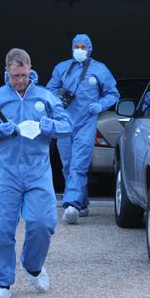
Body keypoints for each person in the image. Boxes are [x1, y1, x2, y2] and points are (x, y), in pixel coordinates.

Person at [0, 48, 72, 298]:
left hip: (37, 171)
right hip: (5, 172)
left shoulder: (45, 97)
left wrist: (49, 126)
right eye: (15, 75)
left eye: (24, 75)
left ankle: (32, 265)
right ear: (6, 71)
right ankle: (2, 281)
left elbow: (67, 125)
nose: (20, 80)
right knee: (0, 228)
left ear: (31, 70)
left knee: (43, 223)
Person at [46, 34, 120, 224]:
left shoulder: (100, 69)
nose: (79, 49)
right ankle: (83, 202)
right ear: (72, 48)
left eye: (83, 47)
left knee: (79, 163)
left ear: (89, 48)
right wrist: (56, 100)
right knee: (68, 164)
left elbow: (113, 93)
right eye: (76, 46)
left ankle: (71, 204)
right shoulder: (62, 68)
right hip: (64, 122)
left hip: (86, 122)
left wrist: (100, 105)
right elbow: (49, 90)